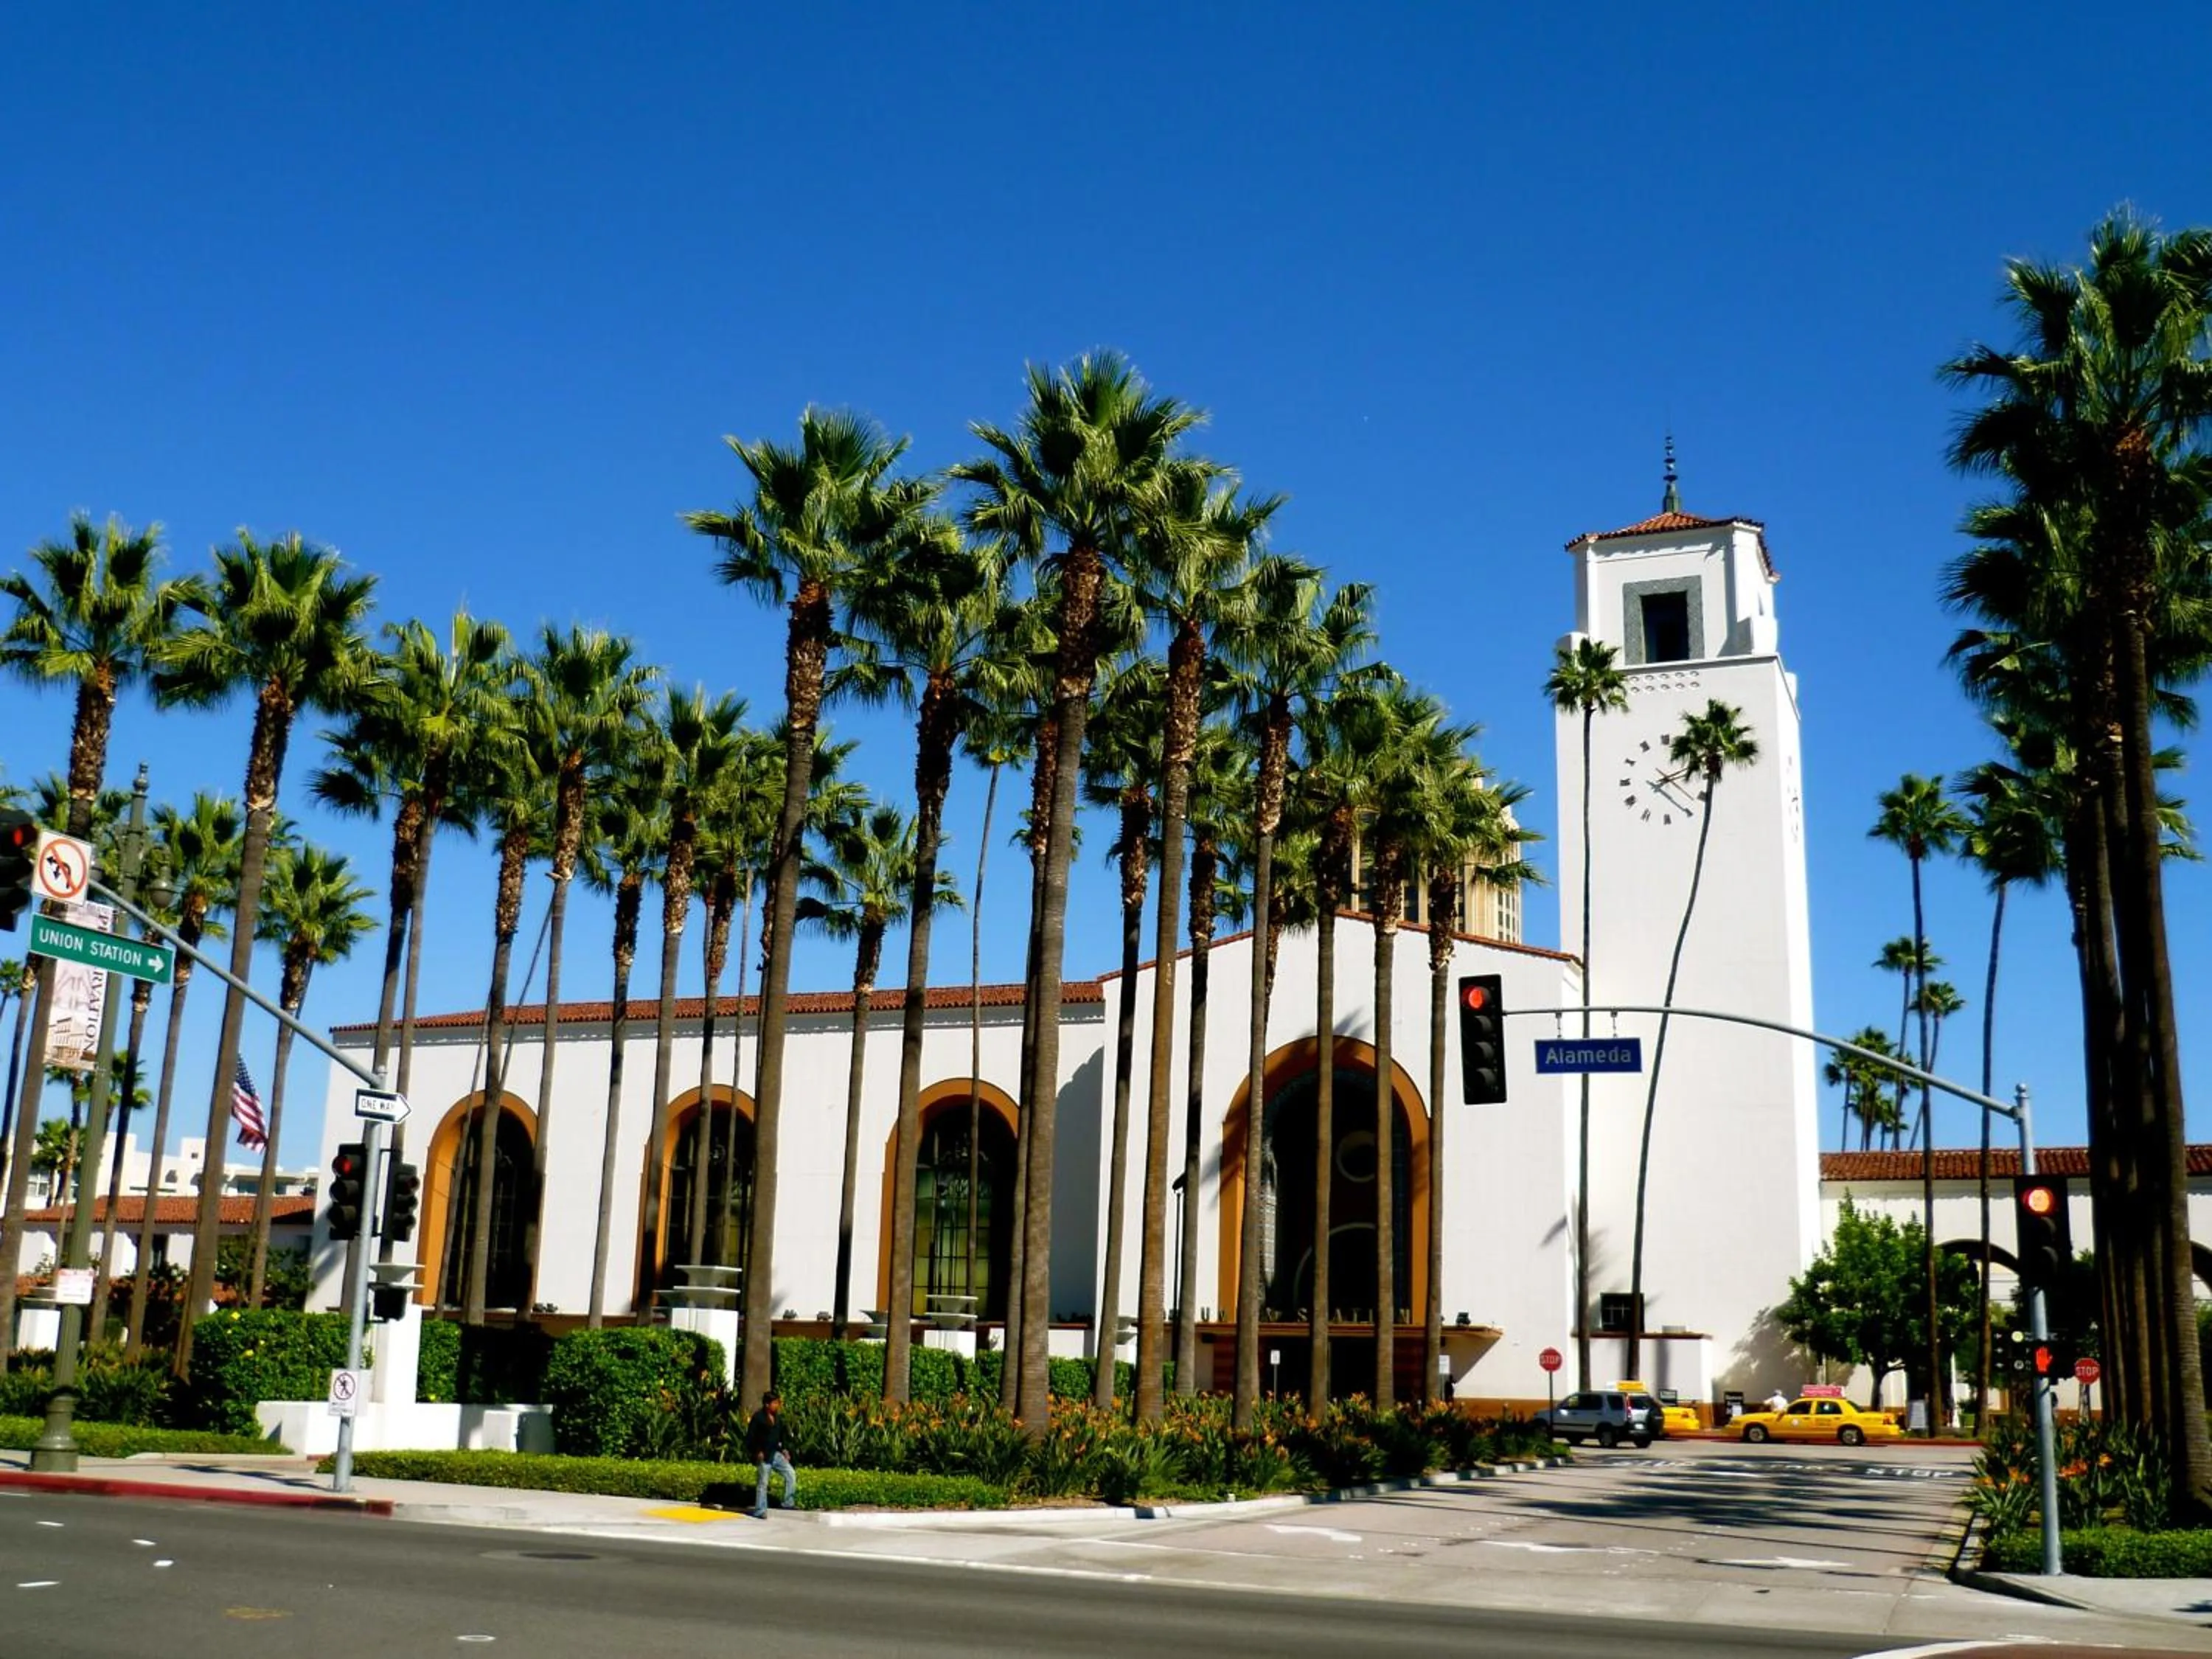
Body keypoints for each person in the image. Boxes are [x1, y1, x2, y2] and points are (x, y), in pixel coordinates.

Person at [745, 1390, 796, 1517]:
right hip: (763, 1455)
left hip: (775, 1454)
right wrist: (757, 1452)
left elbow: (781, 1435)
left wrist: (784, 1449)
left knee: (791, 1473)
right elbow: (750, 1438)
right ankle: (760, 1511)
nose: (777, 1405)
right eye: (775, 1403)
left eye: (778, 1403)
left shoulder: (778, 1418)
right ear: (767, 1404)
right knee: (763, 1484)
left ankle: (787, 1503)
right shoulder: (758, 1418)